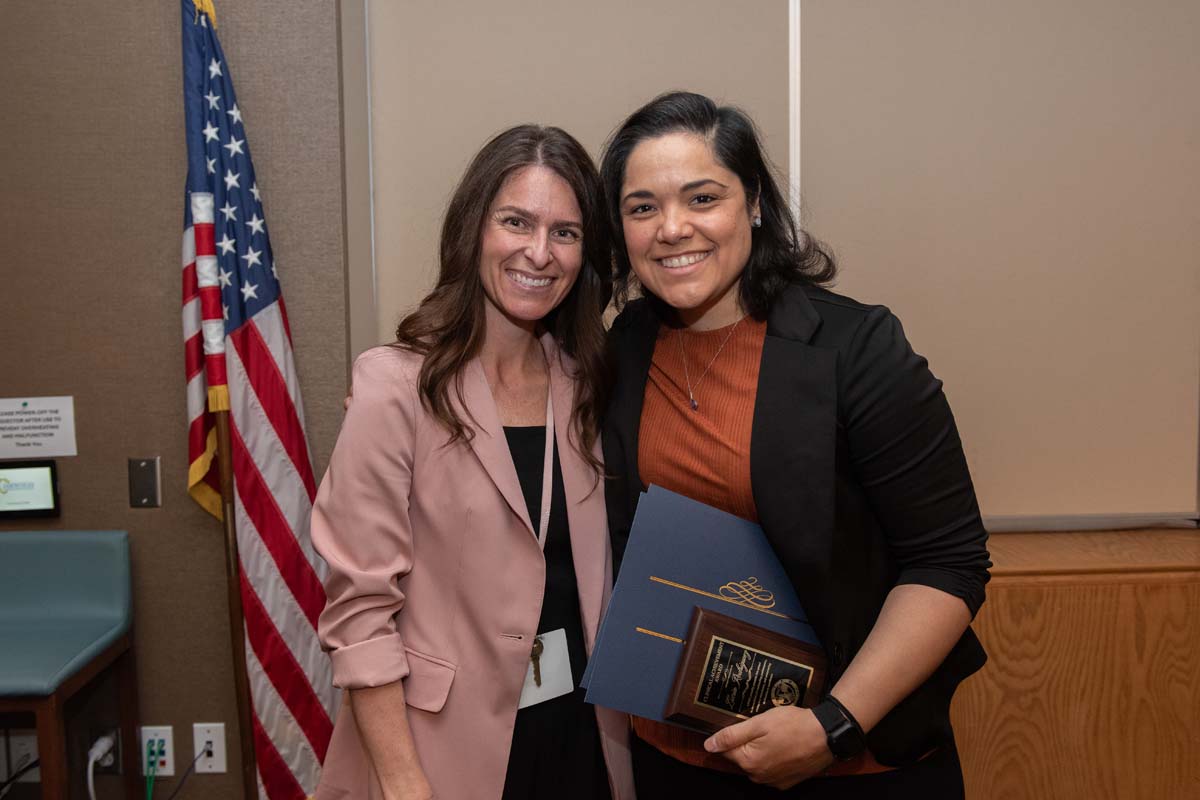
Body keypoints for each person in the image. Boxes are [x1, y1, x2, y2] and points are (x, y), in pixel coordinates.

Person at [600, 91, 991, 798]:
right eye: (643, 207)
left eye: (702, 197)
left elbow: (949, 563)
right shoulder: (623, 350)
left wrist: (834, 726)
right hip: (674, 758)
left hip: (848, 760)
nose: (673, 228)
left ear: (753, 203)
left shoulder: (856, 349)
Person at [311, 125, 634, 800]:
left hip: (582, 735)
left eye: (566, 233)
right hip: (439, 749)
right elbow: (360, 614)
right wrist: (403, 783)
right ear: (473, 228)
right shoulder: (395, 386)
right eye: (516, 221)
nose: (539, 253)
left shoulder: (590, 384)